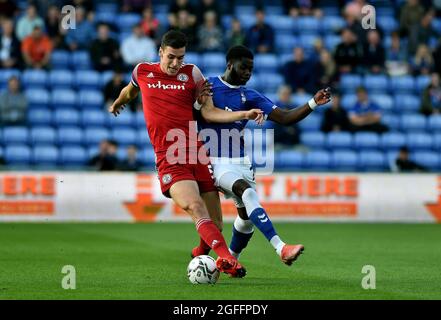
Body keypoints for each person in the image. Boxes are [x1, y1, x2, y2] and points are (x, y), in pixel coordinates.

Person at [108, 30, 264, 277]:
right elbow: (130, 90)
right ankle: (226, 260)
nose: (175, 63)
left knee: (217, 225)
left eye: (180, 58)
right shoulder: (142, 72)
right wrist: (118, 102)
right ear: (160, 52)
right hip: (169, 154)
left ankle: (198, 254)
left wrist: (243, 114)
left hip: (197, 151)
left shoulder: (192, 74)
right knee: (194, 206)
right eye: (171, 57)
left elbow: (209, 112)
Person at [196, 45, 331, 268]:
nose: (248, 73)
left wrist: (313, 102)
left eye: (251, 69)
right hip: (215, 161)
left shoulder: (250, 96)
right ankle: (281, 247)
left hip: (241, 161)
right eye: (244, 68)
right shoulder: (209, 87)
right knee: (246, 192)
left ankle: (230, 260)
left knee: (246, 218)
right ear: (230, 65)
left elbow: (285, 117)